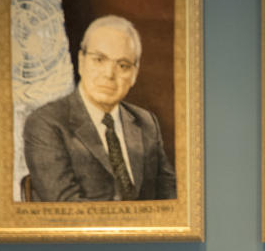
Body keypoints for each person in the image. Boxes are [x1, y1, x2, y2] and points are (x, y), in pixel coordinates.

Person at [23, 15, 176, 201]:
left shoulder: (146, 122)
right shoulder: (46, 123)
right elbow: (65, 209)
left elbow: (171, 198)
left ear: (134, 73)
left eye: (122, 65)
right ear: (81, 61)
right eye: (99, 60)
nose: (109, 74)